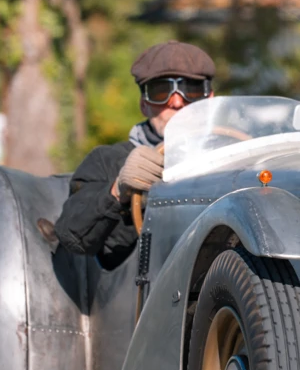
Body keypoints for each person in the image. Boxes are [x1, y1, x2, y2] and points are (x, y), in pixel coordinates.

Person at [54, 41, 215, 267]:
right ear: (144, 105)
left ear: (209, 99)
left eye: (191, 90)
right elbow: (72, 235)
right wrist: (119, 189)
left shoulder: (236, 158)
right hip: (139, 295)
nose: (177, 102)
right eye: (161, 91)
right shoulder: (108, 160)